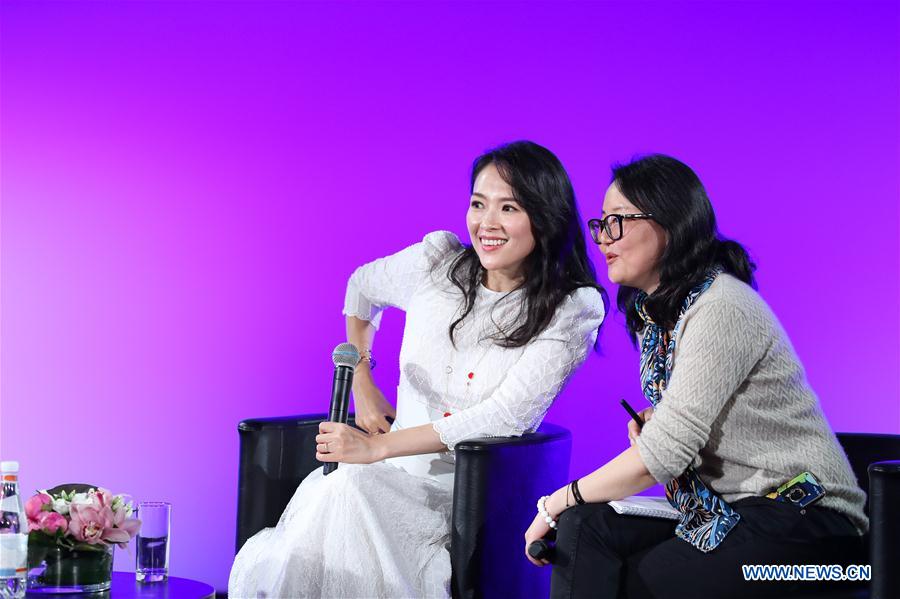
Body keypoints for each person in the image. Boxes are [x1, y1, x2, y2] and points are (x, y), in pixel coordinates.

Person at [229, 140, 606, 598]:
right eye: (477, 204)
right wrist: (363, 382)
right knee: (347, 486)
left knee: (351, 486)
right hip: (380, 473)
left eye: (508, 208)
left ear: (545, 219)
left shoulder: (570, 308)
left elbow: (504, 417)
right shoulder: (438, 265)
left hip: (466, 495)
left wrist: (379, 448)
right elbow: (361, 289)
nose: (486, 223)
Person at [524, 154, 867, 598]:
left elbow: (662, 456)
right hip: (735, 513)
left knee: (636, 578)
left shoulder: (722, 305)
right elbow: (676, 442)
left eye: (617, 221)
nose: (603, 238)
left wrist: (556, 501)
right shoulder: (663, 317)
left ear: (669, 224)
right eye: (601, 223)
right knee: (586, 530)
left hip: (815, 530)